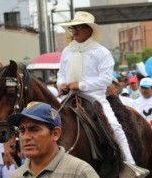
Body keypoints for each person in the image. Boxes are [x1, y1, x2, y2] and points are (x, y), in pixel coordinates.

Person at [57, 11, 137, 167]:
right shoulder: (67, 51)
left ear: (89, 30)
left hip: (95, 98)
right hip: (69, 97)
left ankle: (130, 164)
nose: (75, 31)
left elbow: (106, 80)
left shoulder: (102, 52)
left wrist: (80, 85)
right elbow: (61, 73)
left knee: (114, 125)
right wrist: (62, 84)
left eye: (79, 27)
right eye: (73, 28)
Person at [7, 101, 99, 178]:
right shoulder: (16, 176)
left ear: (55, 134)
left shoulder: (80, 172)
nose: (26, 137)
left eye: (34, 130)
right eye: (22, 130)